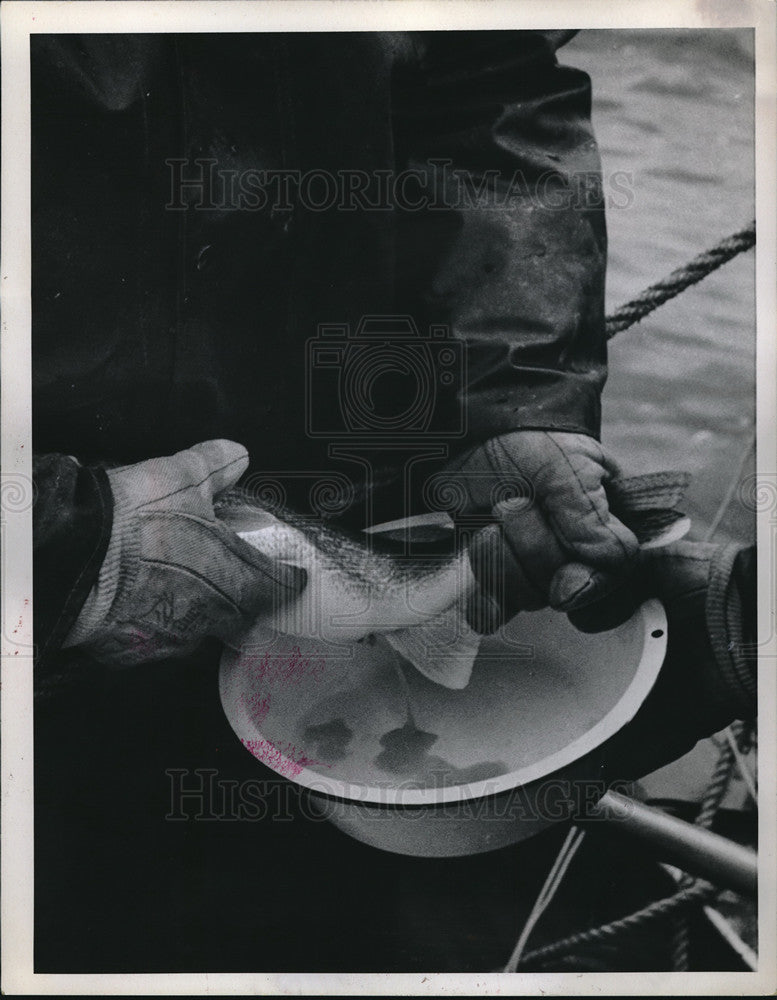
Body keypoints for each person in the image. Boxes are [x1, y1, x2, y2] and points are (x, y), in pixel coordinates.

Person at [30, 29, 755, 972]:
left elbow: (486, 82)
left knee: (310, 904)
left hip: (342, 540)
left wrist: (507, 402)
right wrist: (55, 539)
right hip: (48, 651)